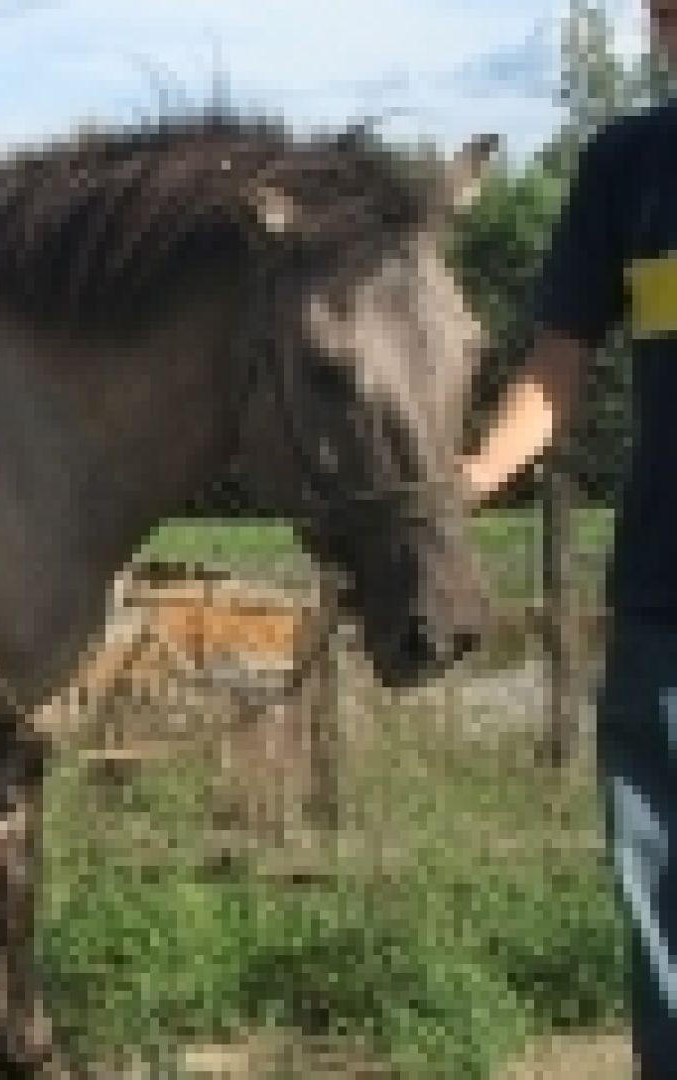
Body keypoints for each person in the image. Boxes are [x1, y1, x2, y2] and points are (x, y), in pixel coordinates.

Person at [462, 2, 677, 1072]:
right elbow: (555, 368)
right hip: (661, 607)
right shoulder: (625, 168)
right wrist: (470, 475)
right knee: (663, 915)